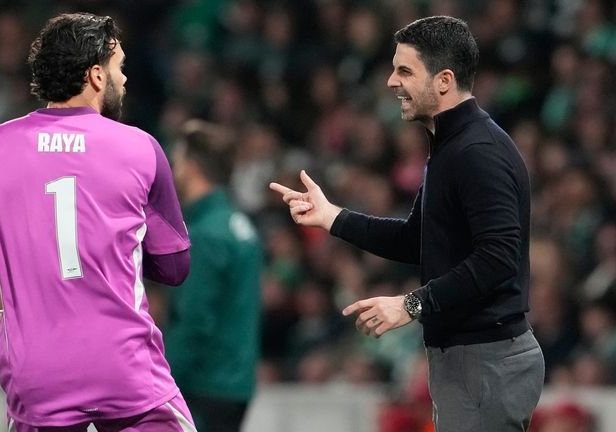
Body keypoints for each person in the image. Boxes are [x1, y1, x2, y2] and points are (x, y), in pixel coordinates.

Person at [0, 13, 197, 432]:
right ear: (96, 76)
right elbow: (174, 267)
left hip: (37, 379)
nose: (124, 79)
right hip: (126, 369)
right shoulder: (141, 149)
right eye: (119, 67)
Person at [270, 16, 544, 431]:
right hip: (472, 360)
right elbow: (417, 239)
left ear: (444, 80)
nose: (391, 81)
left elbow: (498, 258)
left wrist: (410, 304)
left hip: (486, 360)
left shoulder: (477, 152)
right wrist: (334, 218)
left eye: (404, 71)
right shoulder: (452, 147)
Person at [164, 120, 263, 432]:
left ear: (192, 167)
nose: (173, 171)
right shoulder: (238, 225)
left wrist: (162, 382)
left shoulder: (205, 235)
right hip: (235, 382)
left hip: (205, 384)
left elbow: (195, 321)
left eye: (177, 162)